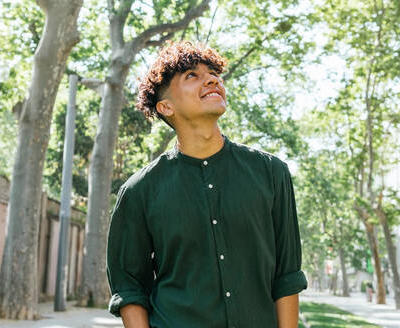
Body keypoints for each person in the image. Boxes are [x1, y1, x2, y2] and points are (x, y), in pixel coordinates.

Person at [106, 41, 308, 328]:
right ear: (166, 106)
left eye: (213, 73)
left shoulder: (272, 173)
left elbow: (287, 276)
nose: (213, 79)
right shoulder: (139, 191)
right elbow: (130, 289)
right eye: (192, 75)